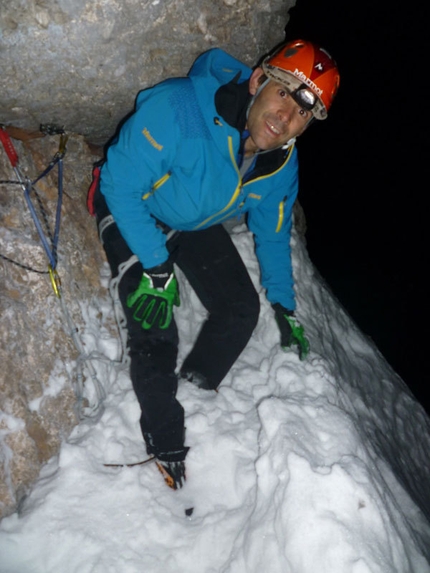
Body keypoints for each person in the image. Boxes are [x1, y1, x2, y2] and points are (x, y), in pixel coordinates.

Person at [88, 38, 340, 490]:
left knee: (242, 309)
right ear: (259, 79)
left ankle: (196, 389)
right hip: (135, 206)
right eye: (283, 92)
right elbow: (120, 182)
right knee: (156, 322)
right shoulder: (181, 108)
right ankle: (164, 443)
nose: (285, 116)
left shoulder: (281, 163)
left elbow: (273, 231)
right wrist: (157, 266)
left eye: (303, 111)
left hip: (192, 217)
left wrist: (283, 304)